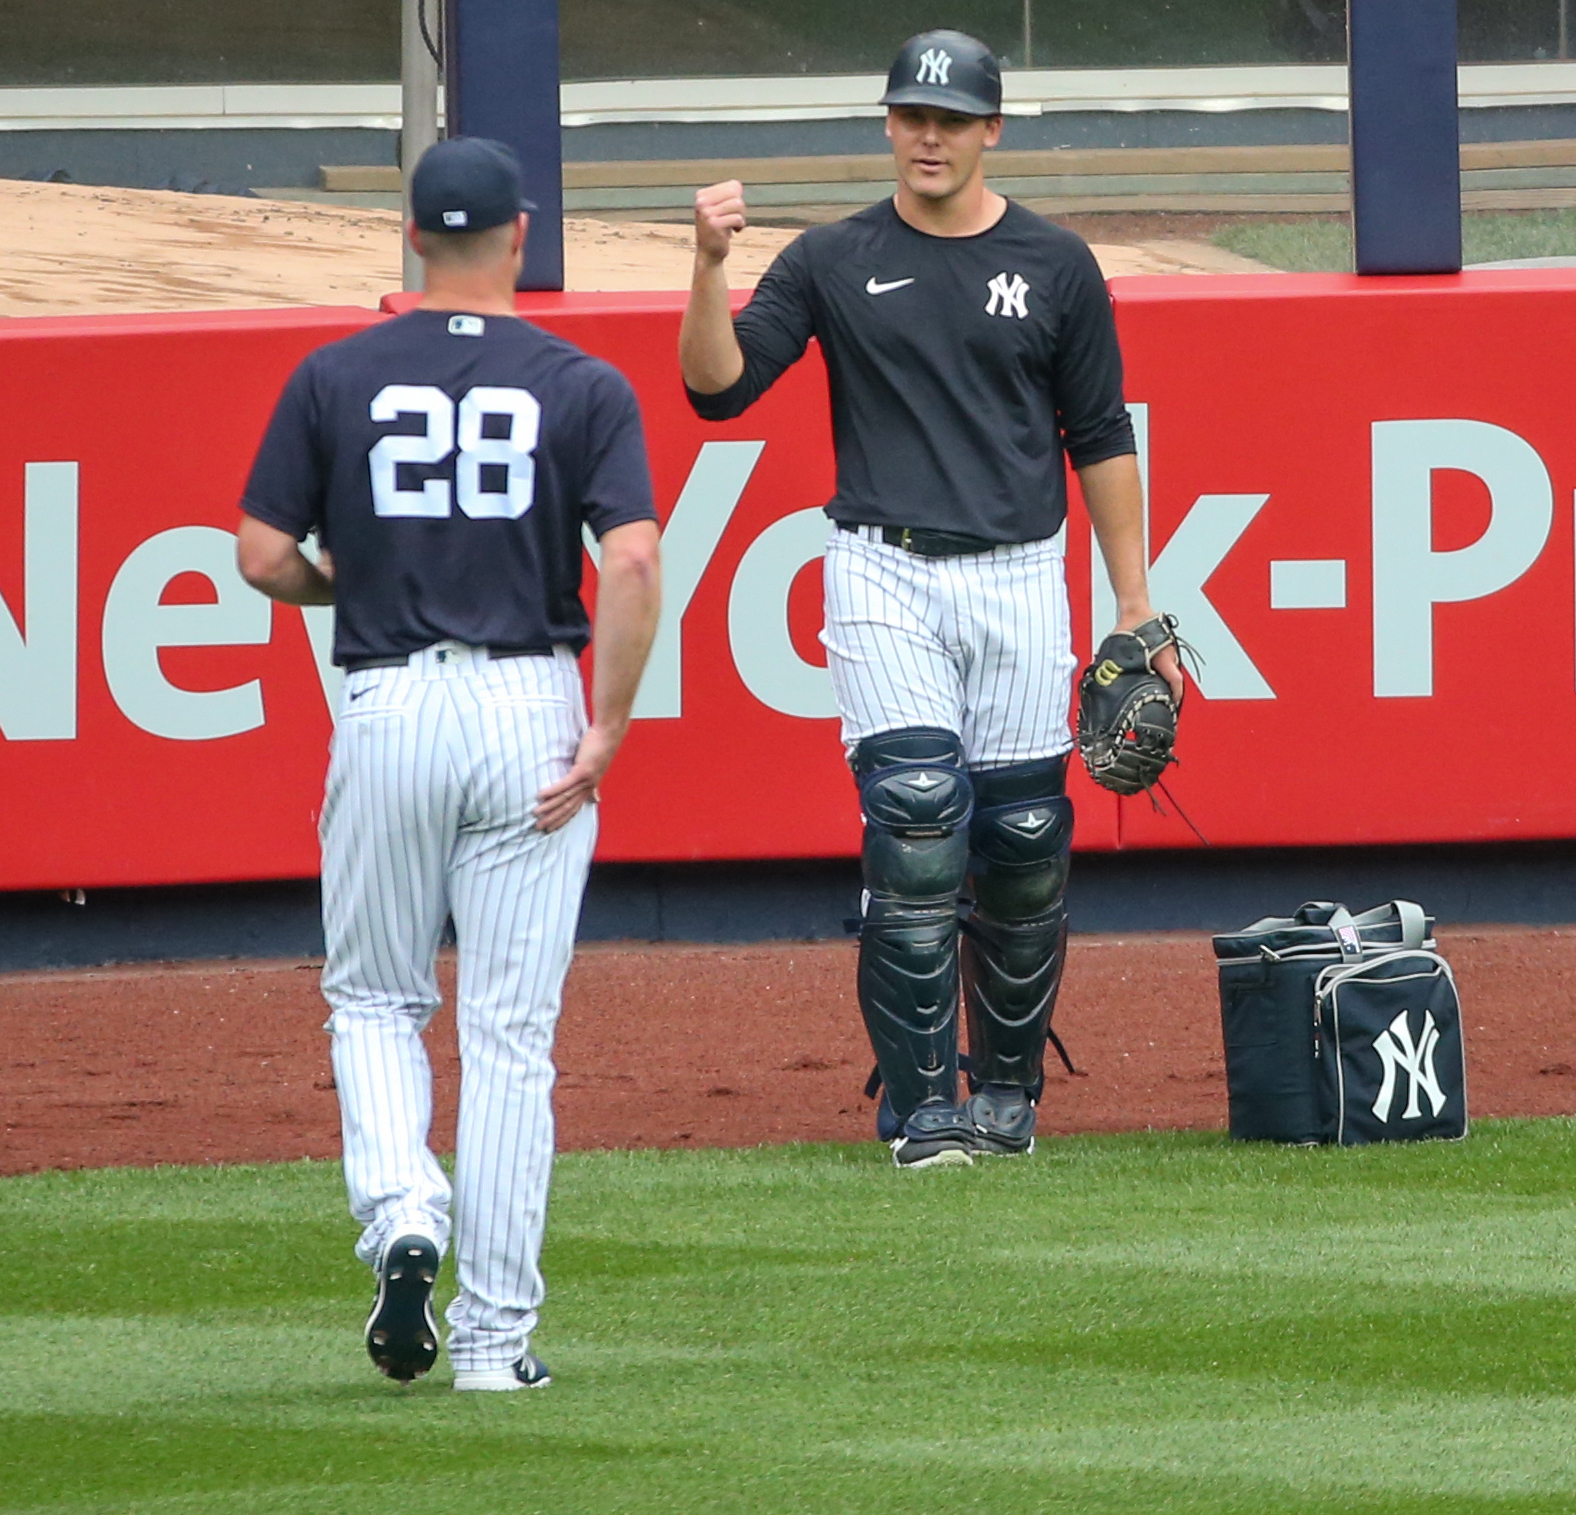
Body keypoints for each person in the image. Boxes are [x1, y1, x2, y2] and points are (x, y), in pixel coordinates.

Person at [679, 30, 1181, 1170]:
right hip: (881, 566)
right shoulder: (830, 258)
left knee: (1020, 840)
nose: (928, 137)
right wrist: (707, 266)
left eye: (950, 120)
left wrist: (1134, 608)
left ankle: (1005, 1094)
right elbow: (718, 389)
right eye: (911, 116)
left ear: (991, 130)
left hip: (1018, 569)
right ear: (888, 124)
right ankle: (920, 1109)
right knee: (915, 821)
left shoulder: (1056, 265)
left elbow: (1099, 435)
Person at [236, 136, 661, 1387]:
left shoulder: (336, 373)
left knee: (373, 998)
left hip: (386, 699)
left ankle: (403, 1209)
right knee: (511, 1039)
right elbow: (631, 563)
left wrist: (343, 586)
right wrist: (605, 732)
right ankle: (494, 1345)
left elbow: (260, 555)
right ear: (518, 237)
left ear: (412, 237)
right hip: (529, 700)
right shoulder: (579, 380)